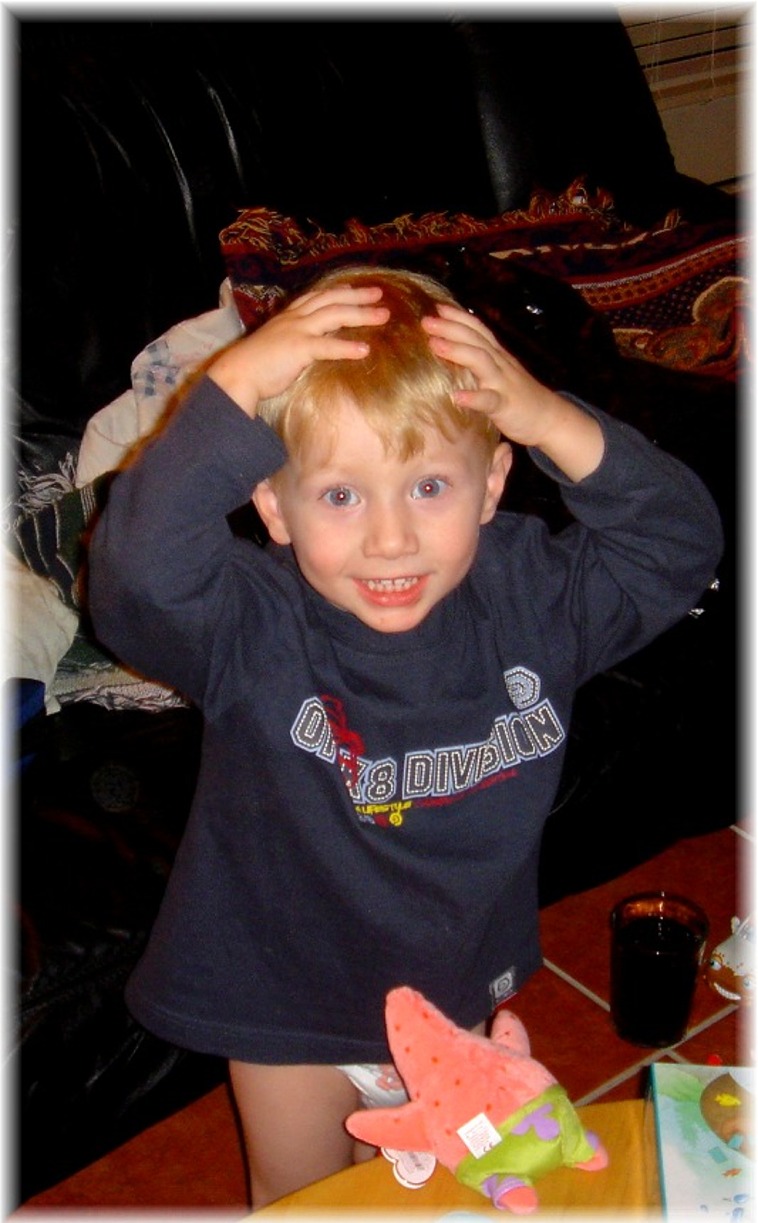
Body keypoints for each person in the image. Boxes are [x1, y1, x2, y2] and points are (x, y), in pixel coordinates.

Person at [89, 265, 722, 1208]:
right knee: (305, 1199)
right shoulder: (249, 626)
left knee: (415, 1192)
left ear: (492, 483)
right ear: (273, 506)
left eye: (428, 485)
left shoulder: (535, 599)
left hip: (452, 987)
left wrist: (549, 417)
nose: (390, 540)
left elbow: (680, 543)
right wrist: (236, 383)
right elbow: (137, 578)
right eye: (341, 496)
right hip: (281, 995)